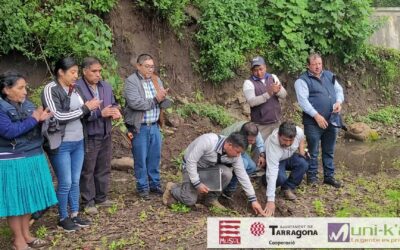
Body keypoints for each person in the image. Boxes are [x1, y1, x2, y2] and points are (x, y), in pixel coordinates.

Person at [42, 57, 102, 232]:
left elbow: (83, 113)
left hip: (78, 141)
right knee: (65, 181)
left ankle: (74, 214)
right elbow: (58, 115)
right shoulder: (51, 89)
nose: (76, 76)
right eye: (73, 72)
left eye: (77, 72)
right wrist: (85, 109)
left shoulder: (74, 89)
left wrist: (92, 109)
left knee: (75, 180)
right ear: (61, 72)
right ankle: (62, 216)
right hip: (61, 142)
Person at [0, 71, 57, 250]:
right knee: (15, 201)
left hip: (32, 154)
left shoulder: (26, 104)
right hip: (12, 160)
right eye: (20, 88)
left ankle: (26, 235)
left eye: (25, 87)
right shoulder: (1, 108)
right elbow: (9, 131)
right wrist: (34, 119)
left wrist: (41, 120)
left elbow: (33, 124)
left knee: (27, 198)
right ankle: (18, 241)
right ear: (6, 90)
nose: (25, 91)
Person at [162, 132, 266, 216]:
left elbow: (242, 175)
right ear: (229, 145)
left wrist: (253, 199)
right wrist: (197, 183)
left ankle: (211, 199)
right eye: (237, 152)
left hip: (207, 169)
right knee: (189, 200)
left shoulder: (235, 155)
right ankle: (173, 188)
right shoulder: (208, 141)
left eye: (240, 153)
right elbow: (191, 161)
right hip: (190, 168)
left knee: (227, 173)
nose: (238, 155)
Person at [76, 57, 122, 215]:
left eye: (99, 71)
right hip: (88, 134)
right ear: (84, 71)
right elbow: (78, 113)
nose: (98, 74)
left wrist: (116, 110)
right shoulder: (77, 88)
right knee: (88, 168)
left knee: (103, 166)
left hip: (105, 132)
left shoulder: (105, 86)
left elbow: (114, 103)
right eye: (94, 71)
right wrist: (99, 113)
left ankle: (101, 197)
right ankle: (88, 201)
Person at [294, 53, 344, 188]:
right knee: (313, 150)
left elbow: (339, 90)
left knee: (329, 150)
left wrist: (339, 102)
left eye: (319, 64)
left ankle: (329, 176)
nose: (317, 67)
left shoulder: (329, 75)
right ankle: (312, 177)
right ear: (308, 65)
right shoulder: (302, 81)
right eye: (314, 64)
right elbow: (303, 102)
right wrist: (316, 115)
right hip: (313, 122)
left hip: (332, 119)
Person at [123, 54, 168, 200]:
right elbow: (135, 103)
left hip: (154, 125)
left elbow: (160, 99)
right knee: (140, 158)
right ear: (138, 66)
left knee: (154, 157)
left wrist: (164, 99)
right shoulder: (131, 82)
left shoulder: (156, 79)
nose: (150, 69)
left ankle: (154, 184)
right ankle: (142, 187)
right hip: (139, 126)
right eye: (147, 66)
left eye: (152, 66)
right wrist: (156, 99)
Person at [262, 122, 309, 217]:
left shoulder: (299, 132)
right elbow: (272, 172)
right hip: (275, 160)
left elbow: (301, 139)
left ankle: (287, 188)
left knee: (303, 163)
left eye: (290, 140)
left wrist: (302, 151)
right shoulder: (273, 145)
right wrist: (270, 200)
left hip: (288, 158)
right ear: (279, 135)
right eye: (284, 140)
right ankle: (263, 182)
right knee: (279, 178)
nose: (287, 143)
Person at [243, 56, 287, 141]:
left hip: (276, 122)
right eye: (255, 70)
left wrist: (278, 91)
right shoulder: (248, 83)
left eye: (261, 69)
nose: (259, 72)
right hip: (260, 125)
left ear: (265, 67)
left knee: (275, 149)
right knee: (259, 151)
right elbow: (252, 102)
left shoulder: (273, 77)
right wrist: (269, 93)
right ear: (251, 71)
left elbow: (284, 95)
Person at [220, 121, 266, 198]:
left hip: (240, 150)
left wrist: (262, 155)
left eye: (254, 139)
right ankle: (229, 189)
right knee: (243, 165)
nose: (253, 142)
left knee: (252, 166)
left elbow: (260, 143)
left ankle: (232, 181)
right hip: (227, 151)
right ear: (243, 137)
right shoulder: (230, 135)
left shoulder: (253, 130)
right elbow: (224, 149)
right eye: (250, 140)